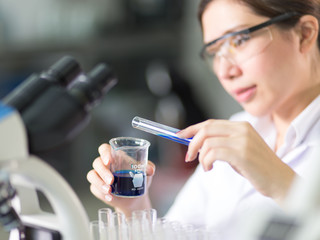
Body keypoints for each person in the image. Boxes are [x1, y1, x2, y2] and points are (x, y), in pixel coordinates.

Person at [86, 0, 320, 238]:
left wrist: (281, 182)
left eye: (239, 40)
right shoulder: (236, 132)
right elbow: (178, 233)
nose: (225, 71)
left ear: (304, 34)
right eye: (214, 52)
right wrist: (134, 207)